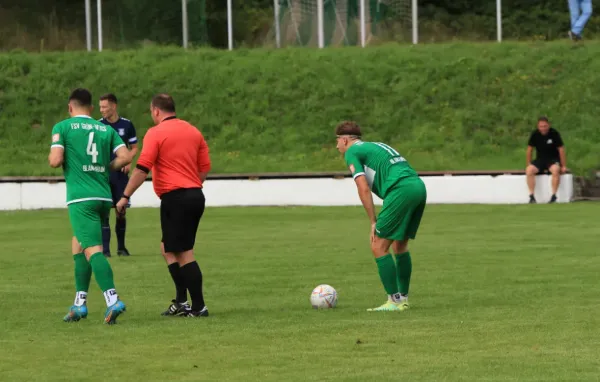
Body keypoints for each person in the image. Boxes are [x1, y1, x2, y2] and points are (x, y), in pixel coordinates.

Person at [116, 93, 211, 318]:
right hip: (195, 195)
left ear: (156, 111)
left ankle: (198, 307)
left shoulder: (156, 133)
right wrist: (192, 185)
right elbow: (205, 166)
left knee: (184, 252)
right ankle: (181, 301)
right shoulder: (193, 131)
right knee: (167, 248)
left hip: (176, 198)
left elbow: (141, 168)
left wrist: (125, 196)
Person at [48, 88, 131, 324]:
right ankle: (79, 304)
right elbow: (125, 157)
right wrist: (106, 168)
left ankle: (112, 299)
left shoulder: (62, 127)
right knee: (78, 244)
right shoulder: (105, 128)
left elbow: (55, 160)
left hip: (80, 198)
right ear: (92, 109)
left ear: (69, 108)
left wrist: (59, 157)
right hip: (103, 198)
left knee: (92, 249)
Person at [335, 121, 427, 312]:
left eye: (337, 141)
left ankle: (393, 301)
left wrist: (372, 221)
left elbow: (363, 187)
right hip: (417, 186)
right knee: (399, 244)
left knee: (378, 244)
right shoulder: (375, 146)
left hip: (400, 190)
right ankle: (403, 299)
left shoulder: (352, 152)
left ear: (345, 140)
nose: (337, 146)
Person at [99, 93, 138, 257]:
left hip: (121, 176)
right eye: (100, 107)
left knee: (121, 210)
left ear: (113, 106)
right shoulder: (98, 126)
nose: (101, 110)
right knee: (105, 212)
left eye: (104, 107)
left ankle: (121, 248)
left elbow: (134, 146)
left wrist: (128, 160)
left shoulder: (127, 125)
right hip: (105, 174)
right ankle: (106, 250)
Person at [526, 117, 567, 204]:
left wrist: (563, 166)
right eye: (541, 126)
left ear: (548, 125)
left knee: (556, 170)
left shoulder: (554, 133)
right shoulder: (535, 134)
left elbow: (561, 149)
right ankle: (532, 196)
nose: (543, 128)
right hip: (540, 160)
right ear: (538, 126)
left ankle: (554, 196)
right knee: (529, 170)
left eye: (545, 126)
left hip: (553, 159)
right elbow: (529, 149)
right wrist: (529, 163)